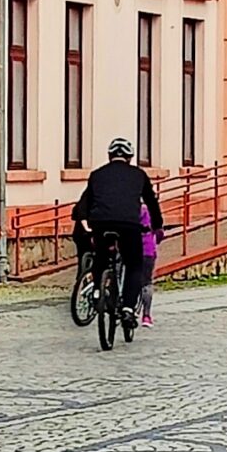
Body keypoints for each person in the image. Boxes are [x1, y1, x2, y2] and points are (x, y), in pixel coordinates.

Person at [71, 138, 164, 337]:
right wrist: (157, 226)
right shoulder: (139, 175)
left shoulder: (97, 175)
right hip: (129, 225)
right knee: (134, 265)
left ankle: (97, 292)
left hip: (101, 223)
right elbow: (151, 202)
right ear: (129, 158)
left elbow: (86, 201)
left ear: (109, 156)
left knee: (101, 259)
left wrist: (83, 219)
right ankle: (129, 308)